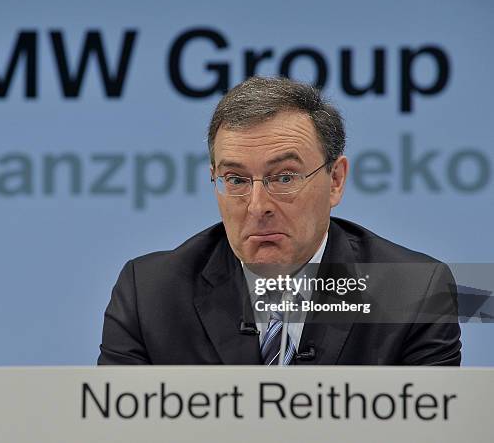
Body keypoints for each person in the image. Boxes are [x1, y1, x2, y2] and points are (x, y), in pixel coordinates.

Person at [97, 76, 461, 366]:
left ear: (335, 180)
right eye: (236, 180)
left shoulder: (417, 292)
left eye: (284, 177)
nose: (257, 206)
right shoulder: (149, 293)